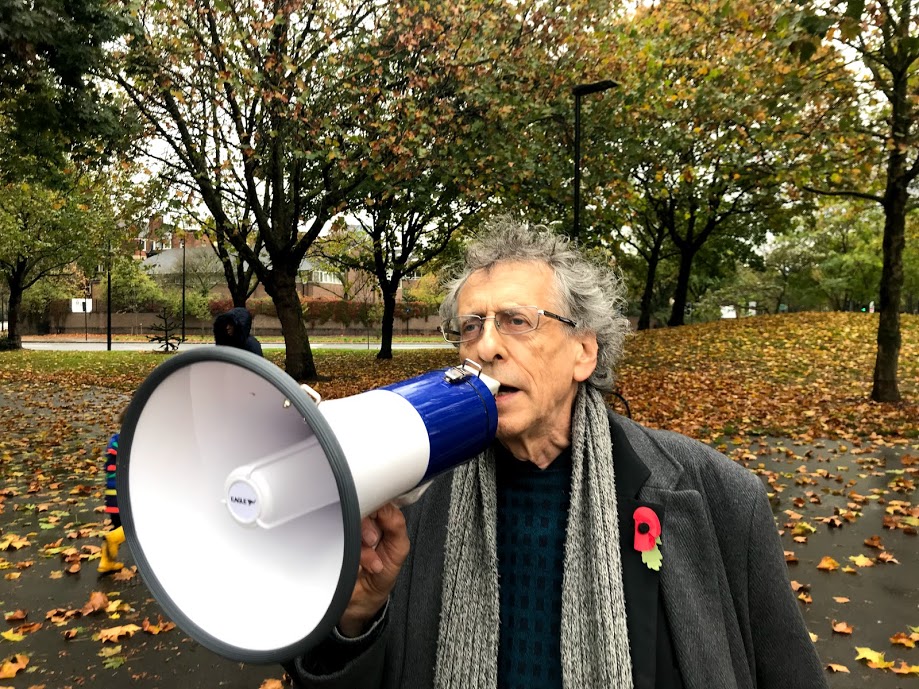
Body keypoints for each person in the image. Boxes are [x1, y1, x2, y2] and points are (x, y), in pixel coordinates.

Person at [283, 218, 827, 689]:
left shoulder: (717, 495)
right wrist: (356, 618)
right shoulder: (414, 500)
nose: (487, 347)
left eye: (517, 321)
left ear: (584, 352)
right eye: (471, 327)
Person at [98, 412, 125, 574]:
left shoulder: (114, 441)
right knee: (132, 529)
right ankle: (113, 538)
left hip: (111, 495)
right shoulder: (132, 442)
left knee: (118, 526)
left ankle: (106, 562)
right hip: (124, 495)